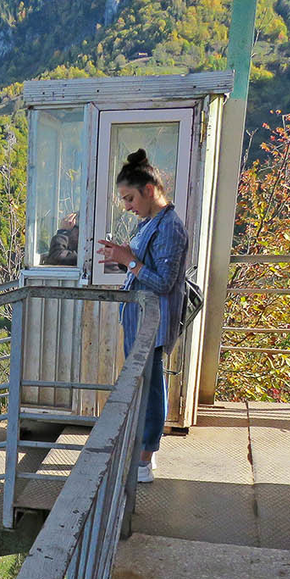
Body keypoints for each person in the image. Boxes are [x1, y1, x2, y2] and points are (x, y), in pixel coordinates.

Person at [98, 149, 188, 484]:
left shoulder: (170, 228)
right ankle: (140, 452)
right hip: (140, 319)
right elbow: (148, 266)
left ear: (149, 190)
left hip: (154, 322)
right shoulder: (153, 222)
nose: (127, 206)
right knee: (142, 385)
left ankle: (145, 459)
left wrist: (128, 260)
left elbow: (164, 281)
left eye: (130, 198)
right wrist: (122, 255)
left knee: (150, 388)